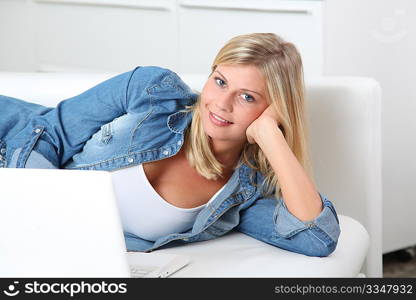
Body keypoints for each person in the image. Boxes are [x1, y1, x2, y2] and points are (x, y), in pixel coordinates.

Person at [0, 33, 340, 256]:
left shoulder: (244, 193)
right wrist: (41, 227)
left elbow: (315, 239)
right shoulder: (152, 92)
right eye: (220, 82)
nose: (222, 104)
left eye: (248, 97)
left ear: (273, 109)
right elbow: (47, 134)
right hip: (12, 142)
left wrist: (272, 137)